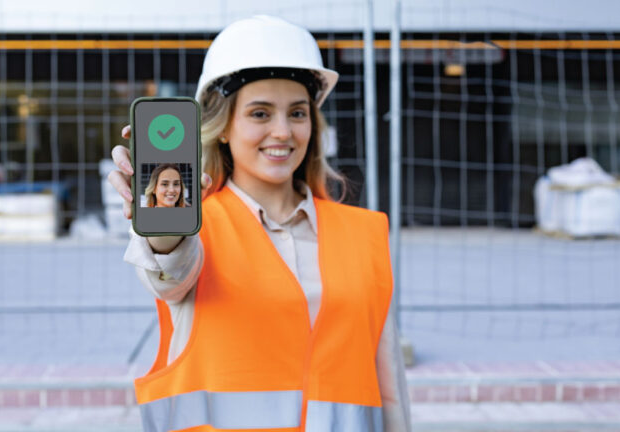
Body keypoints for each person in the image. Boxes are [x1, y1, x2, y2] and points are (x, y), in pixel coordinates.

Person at [108, 15, 411, 432]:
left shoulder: (364, 234)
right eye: (260, 113)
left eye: (298, 112)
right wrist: (158, 207)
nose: (283, 131)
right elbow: (168, 267)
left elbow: (389, 392)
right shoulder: (195, 231)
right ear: (225, 126)